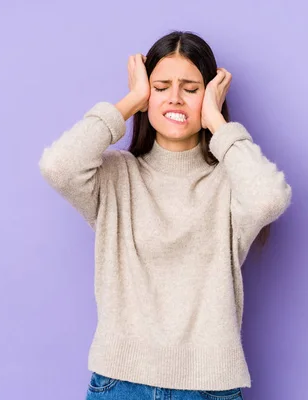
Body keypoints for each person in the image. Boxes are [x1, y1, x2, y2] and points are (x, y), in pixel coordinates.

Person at [39, 30, 292, 400]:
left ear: (210, 96)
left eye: (191, 88)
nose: (175, 98)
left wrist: (217, 123)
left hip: (209, 388)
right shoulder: (116, 176)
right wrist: (131, 100)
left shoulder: (230, 180)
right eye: (161, 87)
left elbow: (270, 198)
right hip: (119, 384)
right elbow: (58, 166)